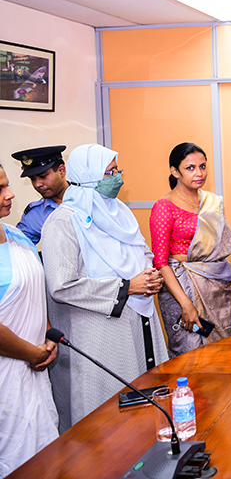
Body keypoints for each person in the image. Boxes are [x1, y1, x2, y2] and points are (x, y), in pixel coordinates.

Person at [41, 144, 167, 432]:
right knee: (109, 422)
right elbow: (61, 285)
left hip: (139, 320)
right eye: (110, 172)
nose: (118, 178)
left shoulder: (118, 211)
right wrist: (126, 287)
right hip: (100, 333)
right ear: (87, 176)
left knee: (148, 408)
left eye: (116, 170)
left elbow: (141, 251)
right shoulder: (62, 222)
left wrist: (150, 275)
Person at [149, 143, 231, 357]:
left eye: (203, 166)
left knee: (222, 353)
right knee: (191, 354)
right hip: (181, 289)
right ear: (175, 171)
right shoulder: (164, 207)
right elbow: (160, 262)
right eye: (190, 168)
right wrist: (186, 304)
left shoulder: (211, 202)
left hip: (215, 288)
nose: (199, 173)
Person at [0, 164, 58, 477]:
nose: (9, 195)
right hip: (7, 376)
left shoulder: (17, 236)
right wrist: (31, 353)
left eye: (6, 185)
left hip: (36, 370)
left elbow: (36, 295)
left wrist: (48, 338)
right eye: (0, 189)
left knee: (43, 451)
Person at [11, 145, 68, 245]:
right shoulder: (35, 214)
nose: (37, 184)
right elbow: (18, 248)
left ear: (61, 171)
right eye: (32, 179)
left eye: (43, 176)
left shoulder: (88, 198)